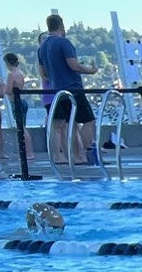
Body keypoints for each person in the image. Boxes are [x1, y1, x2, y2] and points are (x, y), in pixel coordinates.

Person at [37, 13, 97, 168]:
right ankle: (87, 153)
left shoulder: (42, 48)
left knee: (70, 125)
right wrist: (90, 70)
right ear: (61, 26)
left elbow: (43, 73)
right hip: (73, 88)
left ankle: (75, 156)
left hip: (56, 91)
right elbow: (73, 65)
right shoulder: (64, 43)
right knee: (88, 121)